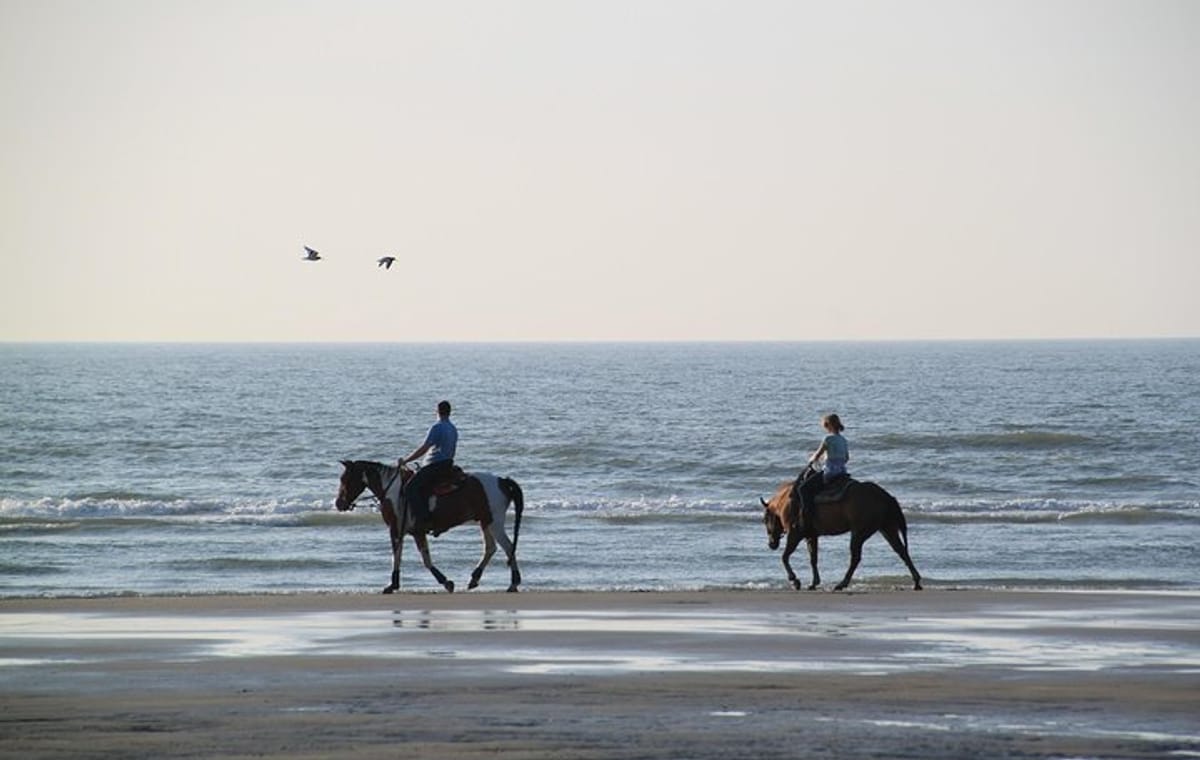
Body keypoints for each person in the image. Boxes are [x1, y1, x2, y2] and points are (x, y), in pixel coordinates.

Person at [399, 400, 458, 530]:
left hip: (435, 465)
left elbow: (424, 449)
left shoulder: (437, 427)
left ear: (437, 412)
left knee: (410, 488)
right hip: (448, 463)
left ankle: (423, 520)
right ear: (449, 412)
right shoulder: (453, 428)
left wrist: (406, 460)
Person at [792, 413, 850, 536]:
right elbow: (846, 458)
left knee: (803, 489)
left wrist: (811, 459)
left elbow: (817, 455)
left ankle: (807, 520)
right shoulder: (843, 440)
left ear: (828, 425)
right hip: (842, 471)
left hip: (830, 472)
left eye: (825, 426)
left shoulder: (828, 439)